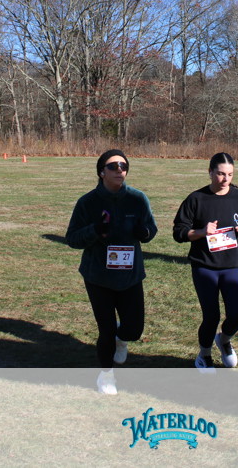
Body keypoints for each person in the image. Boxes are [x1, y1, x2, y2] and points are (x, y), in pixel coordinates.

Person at [65, 150, 157, 395]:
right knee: (106, 330)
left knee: (134, 329)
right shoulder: (88, 202)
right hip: (98, 276)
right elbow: (72, 238)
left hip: (130, 275)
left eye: (123, 166)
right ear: (101, 172)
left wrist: (144, 233)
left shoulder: (138, 199)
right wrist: (95, 230)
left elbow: (151, 228)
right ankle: (106, 375)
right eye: (113, 166)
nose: (119, 170)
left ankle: (122, 338)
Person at [173, 152, 238, 372]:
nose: (225, 179)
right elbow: (179, 232)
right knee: (211, 317)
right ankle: (204, 355)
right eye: (220, 174)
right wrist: (202, 231)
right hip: (204, 266)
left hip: (232, 265)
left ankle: (224, 340)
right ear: (210, 172)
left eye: (229, 174)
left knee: (237, 316)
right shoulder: (196, 199)